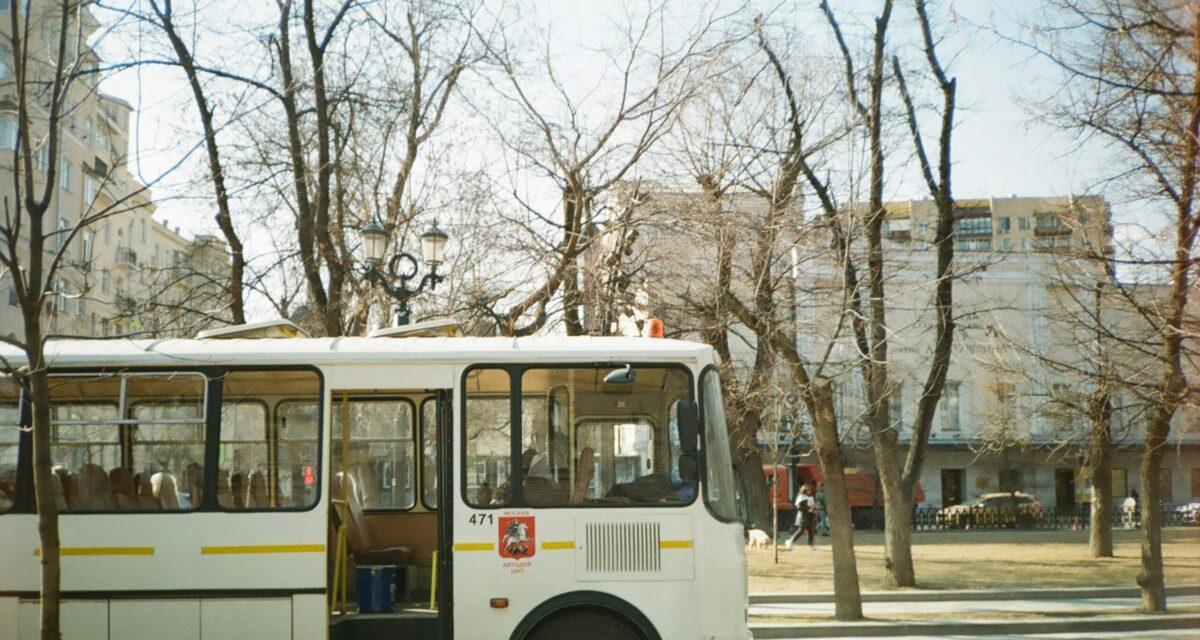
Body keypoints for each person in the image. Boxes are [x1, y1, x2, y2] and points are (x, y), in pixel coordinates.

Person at [785, 483, 817, 551]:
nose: (810, 491)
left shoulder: (811, 497)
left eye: (810, 490)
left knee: (811, 531)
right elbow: (800, 507)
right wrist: (809, 508)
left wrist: (814, 509)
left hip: (810, 515)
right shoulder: (801, 497)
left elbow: (812, 505)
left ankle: (811, 545)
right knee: (801, 530)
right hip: (803, 516)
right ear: (804, 490)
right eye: (808, 490)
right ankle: (790, 541)